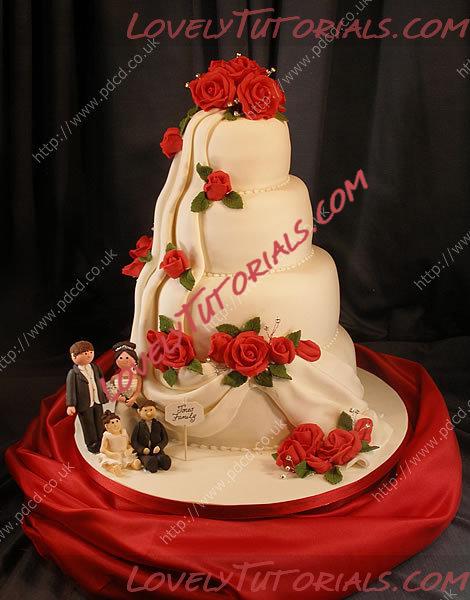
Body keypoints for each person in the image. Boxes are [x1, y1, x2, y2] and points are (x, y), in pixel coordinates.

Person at [66, 340, 107, 453]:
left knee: (100, 420)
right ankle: (92, 444)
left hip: (97, 400)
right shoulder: (73, 373)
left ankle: (102, 440)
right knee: (88, 424)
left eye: (90, 352)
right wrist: (71, 404)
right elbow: (70, 390)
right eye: (85, 353)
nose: (89, 355)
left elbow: (101, 380)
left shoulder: (95, 367)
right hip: (84, 403)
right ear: (74, 356)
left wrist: (105, 393)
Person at [107, 341, 145, 434]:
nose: (124, 360)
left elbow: (138, 390)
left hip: (133, 403)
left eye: (127, 357)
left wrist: (133, 399)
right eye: (120, 358)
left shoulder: (137, 377)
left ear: (134, 360)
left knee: (135, 420)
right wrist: (119, 398)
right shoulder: (114, 378)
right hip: (121, 404)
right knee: (122, 420)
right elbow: (111, 391)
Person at [131, 400, 172, 473]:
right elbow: (134, 441)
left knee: (162, 458)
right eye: (145, 410)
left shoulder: (158, 424)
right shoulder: (139, 426)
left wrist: (159, 446)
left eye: (151, 410)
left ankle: (162, 461)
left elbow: (165, 439)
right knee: (149, 460)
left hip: (157, 451)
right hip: (144, 453)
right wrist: (142, 449)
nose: (149, 413)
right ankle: (151, 463)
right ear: (139, 412)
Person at [97, 410, 142, 476]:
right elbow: (102, 449)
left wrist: (130, 449)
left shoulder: (124, 432)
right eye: (112, 423)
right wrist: (111, 454)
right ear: (107, 426)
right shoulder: (107, 435)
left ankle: (134, 464)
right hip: (114, 455)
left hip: (124, 454)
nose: (116, 425)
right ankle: (113, 469)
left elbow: (128, 444)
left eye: (117, 421)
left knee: (130, 460)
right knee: (107, 464)